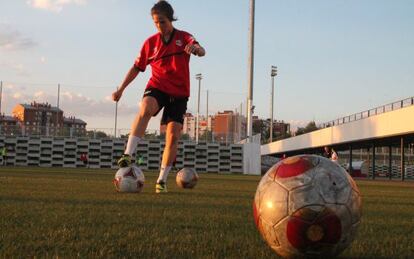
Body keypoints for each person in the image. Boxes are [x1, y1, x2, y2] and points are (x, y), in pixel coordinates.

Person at [112, 1, 205, 194]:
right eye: (155, 22)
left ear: (170, 19)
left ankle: (161, 180)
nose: (159, 26)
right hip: (158, 86)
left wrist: (196, 50)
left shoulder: (184, 37)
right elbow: (137, 68)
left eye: (162, 21)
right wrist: (121, 89)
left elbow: (201, 49)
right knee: (146, 107)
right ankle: (128, 154)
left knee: (172, 137)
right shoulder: (150, 43)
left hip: (179, 93)